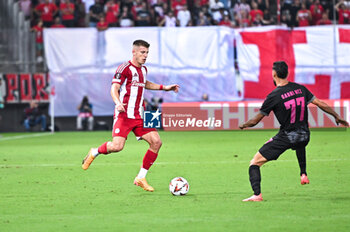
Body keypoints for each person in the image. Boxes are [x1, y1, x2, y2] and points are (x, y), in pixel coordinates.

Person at [239, 61, 349, 202]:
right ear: (287, 73)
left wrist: (243, 125)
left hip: (287, 137)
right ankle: (303, 174)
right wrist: (337, 117)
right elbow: (320, 103)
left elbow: (254, 121)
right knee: (299, 140)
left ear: (274, 74)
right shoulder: (300, 88)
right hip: (305, 136)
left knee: (254, 163)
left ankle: (257, 195)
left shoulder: (273, 96)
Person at [82, 40, 180, 192]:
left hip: (141, 114)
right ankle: (94, 151)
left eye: (147, 53)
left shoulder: (144, 69)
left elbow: (144, 83)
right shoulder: (124, 68)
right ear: (134, 52)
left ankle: (141, 177)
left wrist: (164, 88)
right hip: (124, 114)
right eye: (142, 52)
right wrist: (117, 102)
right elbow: (114, 88)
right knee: (117, 147)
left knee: (157, 142)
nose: (145, 55)